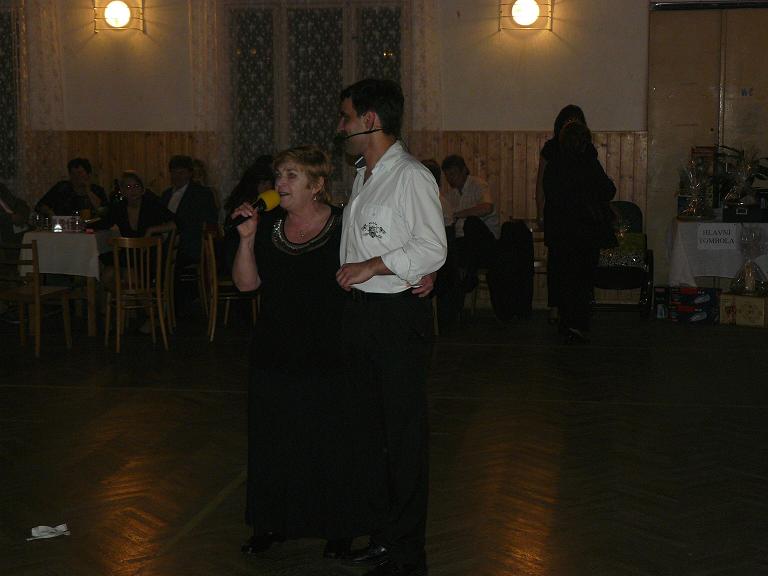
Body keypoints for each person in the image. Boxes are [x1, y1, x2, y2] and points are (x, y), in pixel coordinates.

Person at [231, 146, 385, 559]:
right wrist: (246, 240)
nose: (280, 183)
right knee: (274, 440)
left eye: (291, 176)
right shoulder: (267, 226)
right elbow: (246, 285)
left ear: (317, 185)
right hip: (275, 350)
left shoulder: (344, 224)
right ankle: (272, 524)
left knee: (331, 442)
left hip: (330, 351)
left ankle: (338, 527)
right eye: (279, 175)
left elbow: (380, 259)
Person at [335, 78, 447, 576]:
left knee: (403, 440)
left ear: (370, 120)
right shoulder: (365, 175)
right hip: (363, 315)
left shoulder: (411, 176)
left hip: (396, 319)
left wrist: (375, 266)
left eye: (346, 118)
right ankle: (382, 536)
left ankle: (406, 554)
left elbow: (432, 246)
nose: (341, 127)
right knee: (370, 436)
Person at [542, 120, 616, 343]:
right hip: (585, 231)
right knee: (582, 280)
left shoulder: (555, 164)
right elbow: (608, 190)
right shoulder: (589, 163)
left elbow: (549, 194)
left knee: (564, 277)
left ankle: (566, 321)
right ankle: (577, 323)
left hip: (560, 231)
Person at [536, 105, 590, 325]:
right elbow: (541, 184)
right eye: (568, 121)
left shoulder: (586, 147)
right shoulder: (551, 148)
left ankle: (577, 307)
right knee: (557, 262)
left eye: (576, 121)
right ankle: (555, 306)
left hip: (579, 215)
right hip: (556, 213)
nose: (571, 125)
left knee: (578, 263)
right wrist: (540, 212)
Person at [441, 154, 499, 290]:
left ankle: (468, 273)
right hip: (463, 244)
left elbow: (487, 208)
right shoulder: (450, 196)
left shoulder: (478, 185)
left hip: (486, 243)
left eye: (453, 174)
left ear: (464, 170)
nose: (450, 178)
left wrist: (457, 214)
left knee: (471, 223)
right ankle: (455, 286)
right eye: (447, 175)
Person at [35, 158, 107, 217]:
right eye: (73, 173)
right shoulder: (62, 188)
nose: (76, 176)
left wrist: (88, 190)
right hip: (64, 226)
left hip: (92, 228)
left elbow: (103, 212)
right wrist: (50, 213)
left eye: (79, 173)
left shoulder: (97, 190)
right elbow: (40, 205)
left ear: (88, 174)